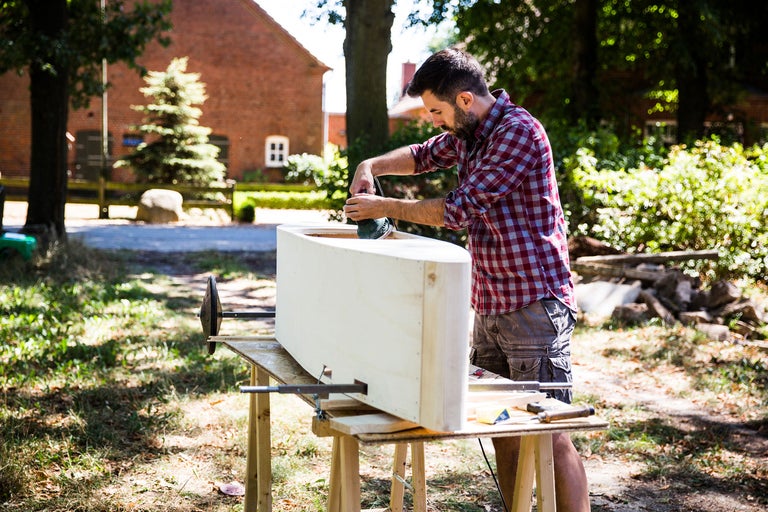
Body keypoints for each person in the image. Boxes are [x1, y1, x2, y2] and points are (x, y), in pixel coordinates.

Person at [343, 48, 590, 512]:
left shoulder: (518, 132)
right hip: (491, 303)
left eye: (436, 111)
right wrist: (371, 166)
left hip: (535, 303)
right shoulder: (468, 133)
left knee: (551, 433)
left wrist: (384, 208)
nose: (435, 122)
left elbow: (458, 209)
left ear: (463, 100)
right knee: (503, 428)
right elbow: (420, 158)